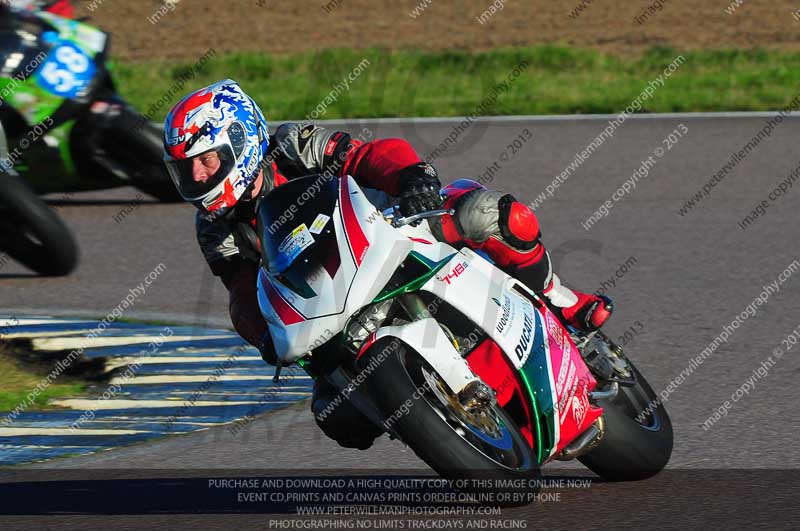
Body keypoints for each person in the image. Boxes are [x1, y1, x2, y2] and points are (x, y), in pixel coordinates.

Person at [163, 79, 613, 449]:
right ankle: (432, 416)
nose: (198, 177)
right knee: (335, 415)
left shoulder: (291, 146)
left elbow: (366, 154)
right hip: (330, 305)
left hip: (394, 230)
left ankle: (562, 302)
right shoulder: (214, 228)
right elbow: (241, 291)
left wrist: (411, 178)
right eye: (187, 168)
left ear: (241, 140)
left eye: (206, 160)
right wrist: (263, 334)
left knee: (492, 213)